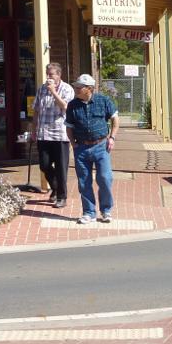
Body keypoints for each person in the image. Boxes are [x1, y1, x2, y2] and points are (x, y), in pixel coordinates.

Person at [65, 74, 119, 224]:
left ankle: (106, 210)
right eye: (75, 86)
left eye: (79, 87)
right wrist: (73, 143)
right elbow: (69, 126)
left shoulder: (103, 101)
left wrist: (112, 138)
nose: (75, 89)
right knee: (84, 182)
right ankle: (89, 212)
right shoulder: (72, 105)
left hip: (101, 146)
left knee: (105, 178)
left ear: (89, 89)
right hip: (81, 148)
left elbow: (115, 119)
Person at [31, 62, 74, 209]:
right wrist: (33, 129)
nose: (48, 77)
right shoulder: (41, 89)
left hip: (60, 134)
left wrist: (54, 92)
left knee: (61, 168)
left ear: (59, 75)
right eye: (47, 74)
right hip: (44, 133)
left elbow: (66, 107)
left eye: (51, 74)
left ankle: (61, 197)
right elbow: (36, 109)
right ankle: (55, 187)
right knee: (44, 165)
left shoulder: (67, 89)